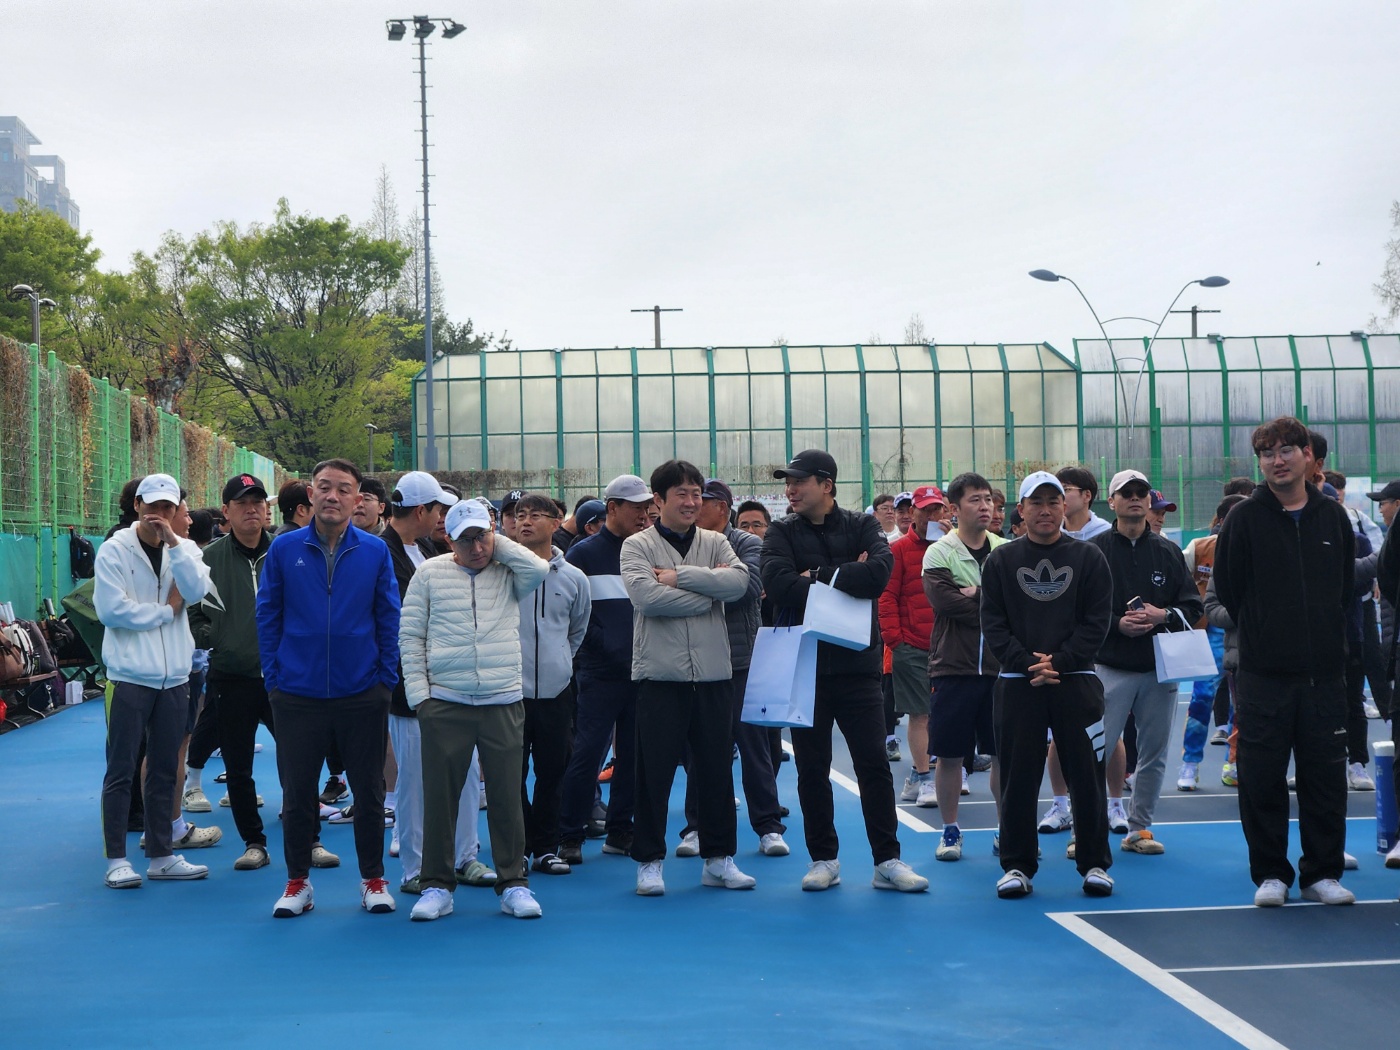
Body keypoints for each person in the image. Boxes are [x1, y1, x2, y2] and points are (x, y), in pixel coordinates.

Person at [762, 449, 927, 893]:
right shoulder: (780, 530)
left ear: (826, 485)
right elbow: (776, 584)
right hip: (806, 668)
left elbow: (878, 574)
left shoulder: (862, 524)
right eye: (788, 482)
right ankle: (823, 859)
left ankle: (887, 860)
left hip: (858, 668)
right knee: (811, 769)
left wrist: (815, 575)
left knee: (873, 765)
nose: (790, 489)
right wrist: (845, 575)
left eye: (799, 481)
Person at [1214, 416, 1356, 907]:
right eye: (1267, 453)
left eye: (1286, 450)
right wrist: (1265, 630)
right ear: (1259, 462)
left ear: (1308, 456)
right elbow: (1229, 589)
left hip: (1324, 676)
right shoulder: (1243, 519)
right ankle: (1271, 873)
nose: (1277, 460)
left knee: (1325, 780)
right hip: (1262, 676)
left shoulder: (1333, 517)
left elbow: (1342, 590)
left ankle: (1322, 873)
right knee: (1260, 779)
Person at [257, 458, 402, 919]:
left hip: (362, 691)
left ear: (358, 499)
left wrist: (384, 679)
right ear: (311, 494)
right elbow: (268, 614)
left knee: (369, 791)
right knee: (298, 793)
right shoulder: (284, 548)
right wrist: (274, 676)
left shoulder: (375, 551)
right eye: (324, 487)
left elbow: (389, 616)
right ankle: (297, 882)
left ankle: (373, 879)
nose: (332, 496)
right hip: (296, 692)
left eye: (343, 488)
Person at [399, 499, 549, 921]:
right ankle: (436, 885)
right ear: (449, 540)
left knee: (507, 798)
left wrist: (498, 541)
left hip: (503, 701)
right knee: (439, 799)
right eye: (466, 539)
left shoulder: (508, 569)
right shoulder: (429, 573)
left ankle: (513, 883)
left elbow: (539, 569)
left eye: (482, 536)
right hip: (445, 703)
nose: (477, 547)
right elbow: (410, 636)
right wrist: (421, 699)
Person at [621, 461, 752, 896]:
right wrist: (707, 595)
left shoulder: (716, 541)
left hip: (714, 675)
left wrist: (681, 579)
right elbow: (646, 599)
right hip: (659, 677)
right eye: (682, 493)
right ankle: (649, 861)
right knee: (652, 774)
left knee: (716, 771)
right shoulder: (637, 545)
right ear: (658, 500)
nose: (692, 501)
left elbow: (739, 584)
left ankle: (719, 858)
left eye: (697, 493)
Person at [981, 471, 1114, 899]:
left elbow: (1097, 621)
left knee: (1087, 777)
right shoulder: (1000, 561)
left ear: (1064, 506)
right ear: (1020, 510)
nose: (1045, 510)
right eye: (1035, 503)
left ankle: (1094, 863)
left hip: (1076, 683)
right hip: (1018, 684)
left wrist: (1060, 662)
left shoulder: (1089, 557)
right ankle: (1017, 866)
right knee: (1018, 779)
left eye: (1053, 501)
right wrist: (1028, 664)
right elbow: (993, 624)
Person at [96, 473, 215, 889]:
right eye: (152, 506)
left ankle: (162, 855)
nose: (159, 515)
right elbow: (112, 611)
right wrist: (166, 611)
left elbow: (196, 592)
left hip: (175, 678)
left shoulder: (187, 550)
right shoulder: (114, 550)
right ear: (137, 506)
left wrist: (175, 546)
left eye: (168, 506)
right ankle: (116, 860)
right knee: (121, 769)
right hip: (128, 677)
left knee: (164, 769)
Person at [380, 472, 495, 894]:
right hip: (410, 685)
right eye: (439, 510)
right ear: (421, 510)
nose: (443, 518)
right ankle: (415, 868)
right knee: (414, 780)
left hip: (454, 680)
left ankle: (465, 856)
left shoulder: (429, 548)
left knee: (466, 772)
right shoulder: (381, 552)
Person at [187, 474, 301, 872]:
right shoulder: (208, 559)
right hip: (232, 675)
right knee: (238, 767)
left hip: (285, 675)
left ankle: (310, 840)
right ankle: (254, 843)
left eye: (258, 502)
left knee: (299, 761)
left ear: (267, 509)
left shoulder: (289, 550)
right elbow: (191, 609)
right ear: (226, 511)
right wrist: (215, 638)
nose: (252, 509)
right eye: (242, 503)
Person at [1088, 470, 1202, 856]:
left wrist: (1162, 615)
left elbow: (1193, 606)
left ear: (1149, 500)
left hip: (1159, 669)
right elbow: (1080, 610)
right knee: (1094, 752)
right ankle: (1084, 831)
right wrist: (1117, 625)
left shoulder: (1168, 552)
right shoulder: (1095, 551)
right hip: (1109, 668)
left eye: (1142, 492)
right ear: (1112, 501)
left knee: (1154, 755)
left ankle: (1140, 829)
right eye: (1127, 492)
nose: (1135, 497)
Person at [678, 479, 788, 859]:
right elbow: (665, 590)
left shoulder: (748, 544)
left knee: (754, 748)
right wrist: (718, 578)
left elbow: (746, 589)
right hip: (699, 660)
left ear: (722, 508)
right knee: (703, 751)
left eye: (701, 500)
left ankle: (769, 827)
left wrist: (690, 581)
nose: (693, 506)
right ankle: (696, 827)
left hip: (742, 662)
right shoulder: (684, 542)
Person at [557, 474, 655, 865]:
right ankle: (570, 834)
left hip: (642, 670)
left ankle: (620, 830)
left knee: (632, 755)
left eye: (647, 507)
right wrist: (610, 647)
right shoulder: (582, 553)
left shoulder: (649, 550)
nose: (644, 515)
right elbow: (574, 615)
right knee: (587, 754)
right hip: (599, 673)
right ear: (612, 508)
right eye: (636, 508)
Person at [922, 472, 1006, 860]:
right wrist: (992, 602)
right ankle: (950, 831)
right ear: (954, 509)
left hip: (1001, 669)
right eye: (975, 499)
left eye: (988, 499)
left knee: (1004, 754)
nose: (985, 506)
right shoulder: (939, 552)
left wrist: (976, 593)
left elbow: (1017, 604)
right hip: (953, 668)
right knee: (950, 755)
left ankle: (1007, 829)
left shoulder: (1006, 551)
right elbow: (946, 603)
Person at [514, 493, 592, 875]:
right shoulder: (503, 572)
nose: (525, 522)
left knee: (552, 773)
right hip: (509, 692)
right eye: (519, 516)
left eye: (535, 515)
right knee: (510, 775)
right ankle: (518, 848)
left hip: (558, 692)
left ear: (556, 521)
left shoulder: (575, 578)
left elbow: (577, 630)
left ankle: (546, 847)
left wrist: (558, 663)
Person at [878, 485, 943, 807]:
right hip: (912, 646)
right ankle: (926, 777)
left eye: (936, 509)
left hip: (950, 646)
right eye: (925, 509)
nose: (931, 515)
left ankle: (928, 775)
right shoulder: (899, 550)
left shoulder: (954, 546)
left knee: (946, 714)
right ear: (914, 512)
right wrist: (896, 641)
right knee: (920, 714)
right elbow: (887, 596)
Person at [1056, 467, 1111, 540]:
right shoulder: (1051, 533)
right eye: (1057, 491)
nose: (1059, 496)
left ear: (1087, 495)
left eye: (1065, 490)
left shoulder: (1106, 533)